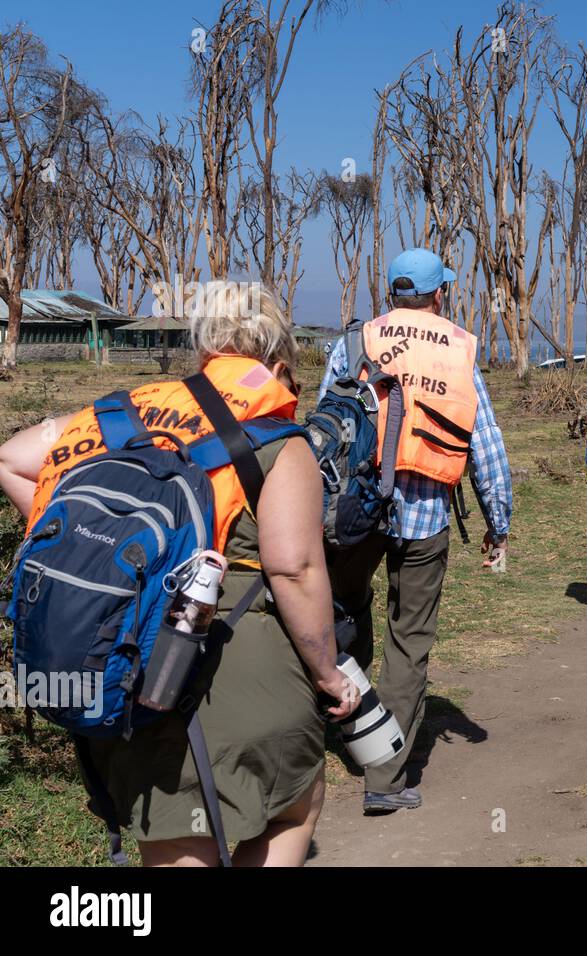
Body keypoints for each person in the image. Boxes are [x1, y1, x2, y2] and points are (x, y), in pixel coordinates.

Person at [0, 286, 359, 865]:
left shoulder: (117, 411)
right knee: (294, 805)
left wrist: (88, 546)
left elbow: (12, 459)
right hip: (233, 667)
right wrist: (328, 673)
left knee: (174, 834)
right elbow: (294, 568)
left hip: (122, 666)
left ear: (203, 354)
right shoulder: (277, 439)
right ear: (279, 365)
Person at [320, 248, 512, 815]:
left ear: (393, 293)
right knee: (409, 639)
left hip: (354, 512)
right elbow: (487, 444)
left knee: (342, 612)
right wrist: (497, 524)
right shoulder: (459, 348)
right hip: (424, 516)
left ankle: (343, 719)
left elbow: (324, 425)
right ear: (438, 295)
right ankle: (383, 776)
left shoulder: (357, 340)